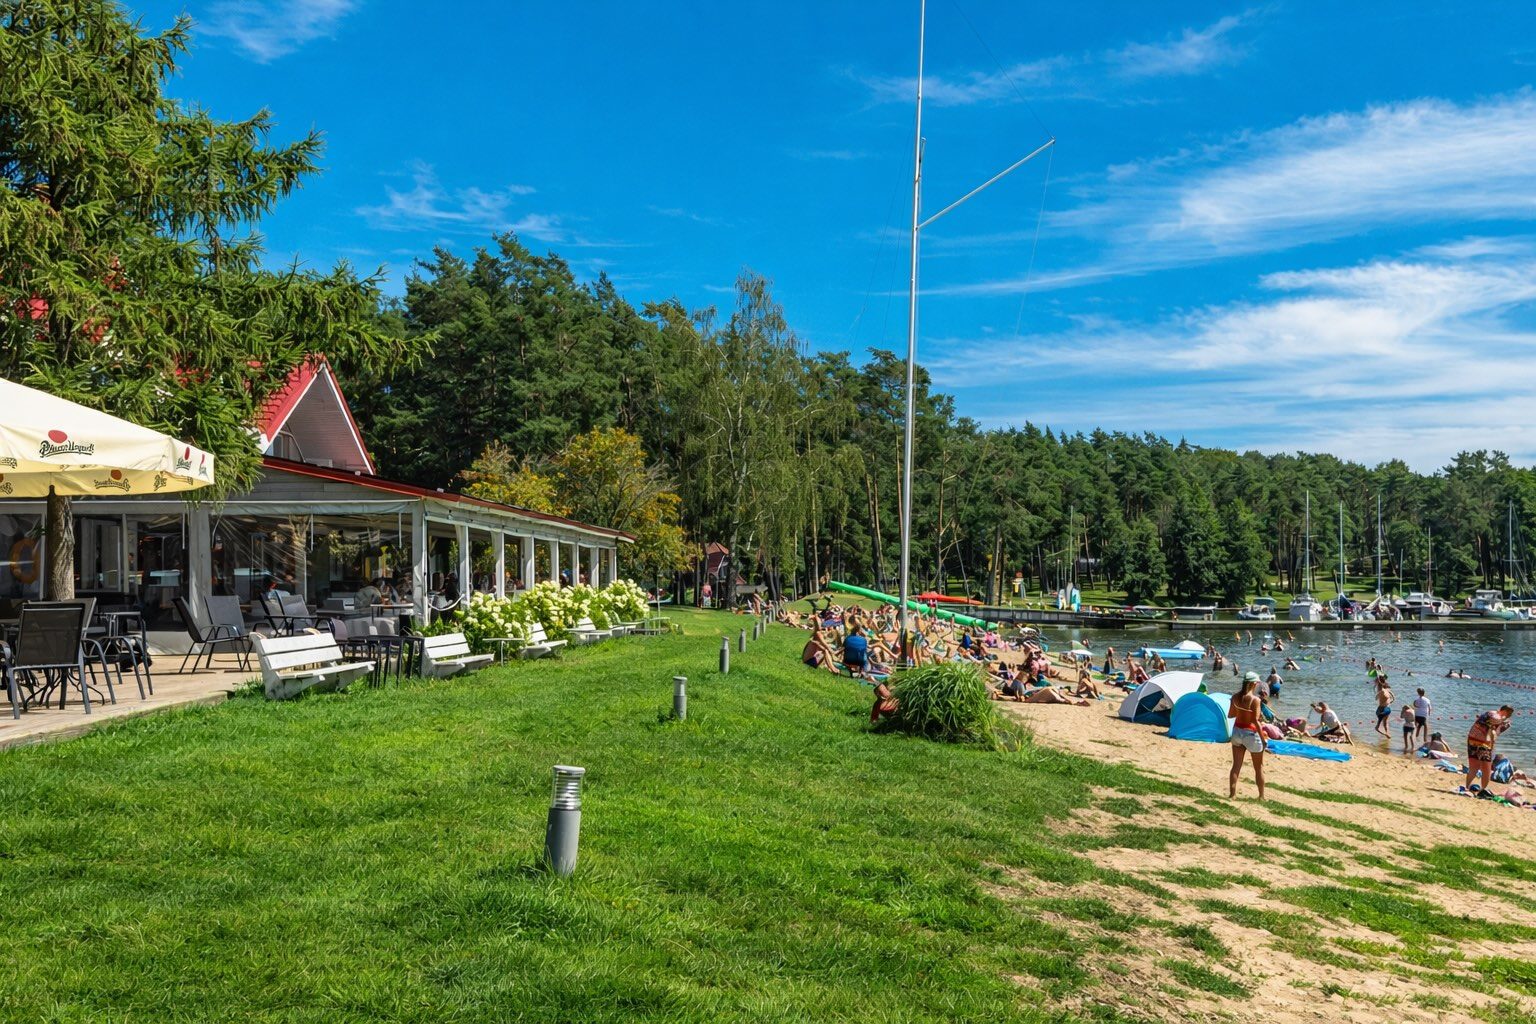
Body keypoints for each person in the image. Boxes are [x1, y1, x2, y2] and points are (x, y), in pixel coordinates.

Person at [1228, 676, 1267, 800]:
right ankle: (1261, 796)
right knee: (1258, 767)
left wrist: (1240, 711)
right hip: (1250, 733)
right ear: (1254, 684)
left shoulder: (1235, 697)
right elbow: (1255, 721)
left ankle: (1232, 795)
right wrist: (1263, 740)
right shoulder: (1255, 700)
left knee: (1236, 766)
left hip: (1237, 732)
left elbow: (1230, 715)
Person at [1466, 706, 1515, 797]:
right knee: (1486, 769)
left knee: (1474, 767)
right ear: (1505, 711)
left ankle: (1468, 787)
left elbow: (1494, 734)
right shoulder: (1493, 714)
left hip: (1473, 740)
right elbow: (1495, 719)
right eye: (1509, 714)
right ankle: (1482, 790)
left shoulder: (1491, 716)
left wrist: (1502, 727)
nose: (1509, 716)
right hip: (1482, 743)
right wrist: (1503, 720)